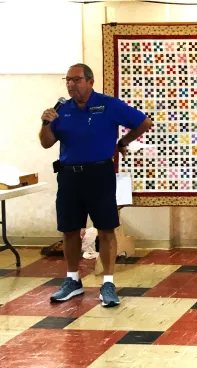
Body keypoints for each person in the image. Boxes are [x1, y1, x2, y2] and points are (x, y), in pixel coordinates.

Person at [39, 63, 153, 307]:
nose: (71, 84)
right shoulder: (61, 110)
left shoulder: (108, 104)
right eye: (67, 80)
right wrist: (45, 123)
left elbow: (144, 122)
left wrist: (123, 141)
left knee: (106, 228)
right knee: (70, 230)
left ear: (90, 81)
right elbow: (46, 143)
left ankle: (108, 283)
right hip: (69, 175)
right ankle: (72, 281)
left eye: (76, 80)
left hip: (99, 174)